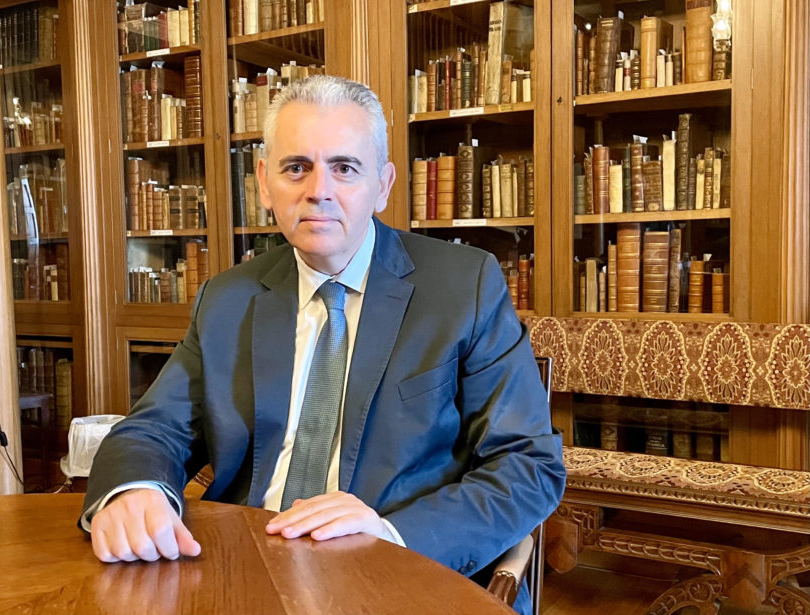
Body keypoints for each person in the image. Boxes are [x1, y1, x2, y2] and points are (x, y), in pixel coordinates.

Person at [81, 75, 565, 615]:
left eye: (345, 167)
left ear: (383, 185)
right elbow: (154, 429)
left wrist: (390, 535)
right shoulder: (228, 298)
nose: (319, 190)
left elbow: (528, 464)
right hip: (246, 569)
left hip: (402, 576)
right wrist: (135, 490)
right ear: (264, 183)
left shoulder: (464, 286)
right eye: (296, 167)